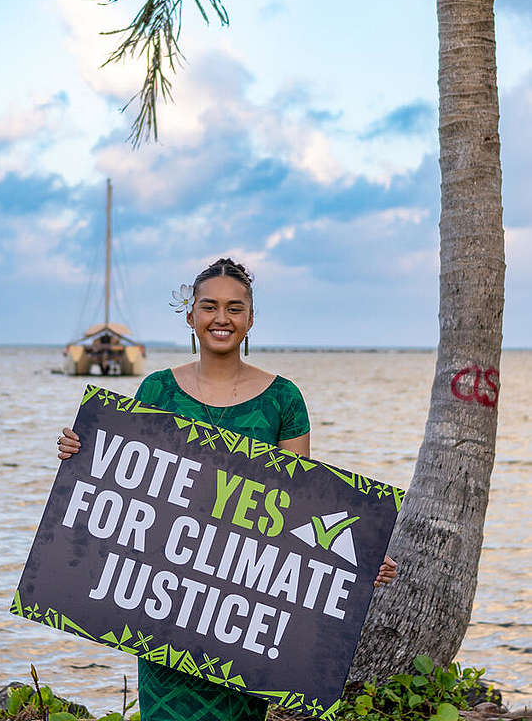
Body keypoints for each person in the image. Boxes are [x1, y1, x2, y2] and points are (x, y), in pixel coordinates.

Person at [57, 257, 397, 721]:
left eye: (235, 308)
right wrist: (83, 450)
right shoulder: (157, 389)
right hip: (167, 603)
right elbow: (127, 481)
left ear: (251, 318)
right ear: (191, 315)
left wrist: (359, 557)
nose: (222, 318)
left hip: (240, 617)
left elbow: (297, 510)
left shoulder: (284, 399)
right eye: (209, 307)